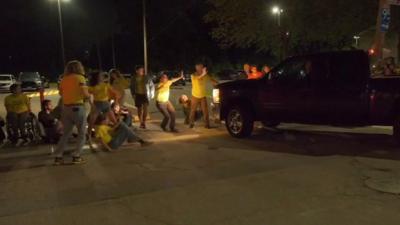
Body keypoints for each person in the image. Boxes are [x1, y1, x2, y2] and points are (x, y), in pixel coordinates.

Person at [54, 60, 92, 165]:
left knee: (66, 133)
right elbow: (85, 94)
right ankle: (77, 155)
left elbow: (61, 93)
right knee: (81, 133)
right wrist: (89, 96)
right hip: (77, 107)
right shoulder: (80, 78)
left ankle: (58, 156)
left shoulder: (64, 79)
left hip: (66, 108)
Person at [88, 71, 119, 139]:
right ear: (97, 77)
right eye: (101, 76)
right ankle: (89, 136)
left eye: (102, 76)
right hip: (97, 104)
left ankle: (116, 134)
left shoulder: (106, 84)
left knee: (114, 121)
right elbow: (88, 96)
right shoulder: (92, 87)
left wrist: (116, 103)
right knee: (91, 121)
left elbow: (115, 93)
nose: (102, 77)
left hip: (106, 104)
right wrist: (91, 105)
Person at [189, 62, 218, 129]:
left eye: (202, 67)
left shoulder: (205, 75)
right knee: (193, 110)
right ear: (197, 68)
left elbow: (211, 80)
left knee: (205, 111)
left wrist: (216, 84)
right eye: (200, 67)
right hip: (195, 96)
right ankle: (191, 123)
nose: (202, 68)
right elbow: (198, 78)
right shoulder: (193, 75)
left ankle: (207, 125)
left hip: (202, 96)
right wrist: (203, 74)